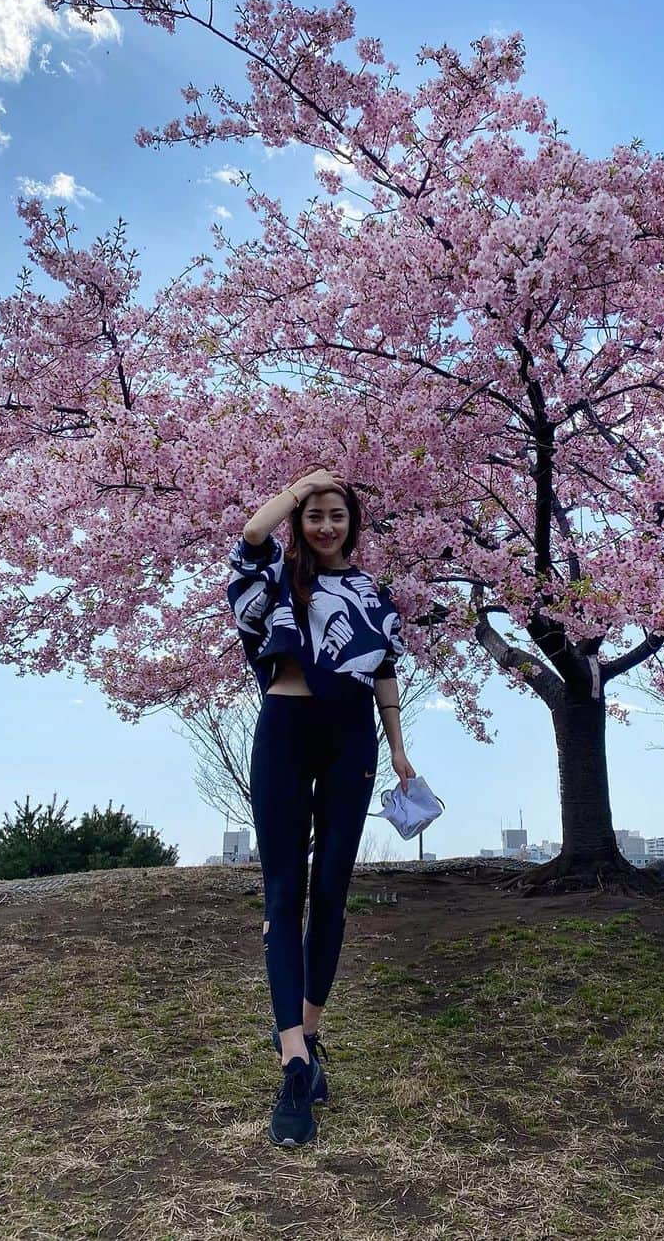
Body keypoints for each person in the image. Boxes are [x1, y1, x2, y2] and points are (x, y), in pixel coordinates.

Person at [227, 464, 417, 1148]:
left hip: (352, 737)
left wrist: (397, 749)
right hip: (284, 729)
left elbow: (385, 668)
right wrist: (304, 482)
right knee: (284, 896)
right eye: (315, 514)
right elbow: (251, 533)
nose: (326, 524)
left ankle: (312, 1029)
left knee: (333, 890)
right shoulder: (276, 576)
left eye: (338, 514)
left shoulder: (371, 590)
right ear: (301, 521)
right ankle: (293, 1066)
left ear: (353, 525)